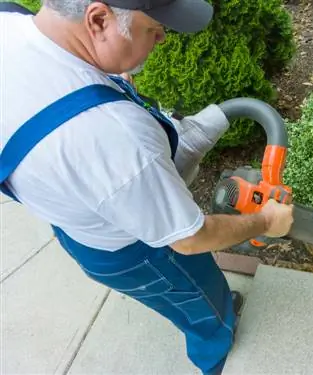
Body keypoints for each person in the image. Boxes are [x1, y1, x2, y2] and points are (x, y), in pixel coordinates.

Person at [0, 1, 294, 374]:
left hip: (79, 224)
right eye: (153, 27)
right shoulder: (110, 136)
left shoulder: (8, 22)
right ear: (98, 20)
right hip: (138, 255)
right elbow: (190, 239)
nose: (163, 38)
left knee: (183, 297)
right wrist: (267, 221)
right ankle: (215, 347)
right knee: (197, 299)